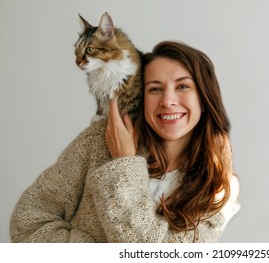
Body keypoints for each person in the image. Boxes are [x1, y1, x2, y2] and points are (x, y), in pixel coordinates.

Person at [10, 41, 240, 243]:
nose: (168, 101)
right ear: (141, 95)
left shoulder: (218, 184)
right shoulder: (101, 140)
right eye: (155, 89)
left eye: (183, 86)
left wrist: (124, 165)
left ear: (204, 97)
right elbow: (29, 220)